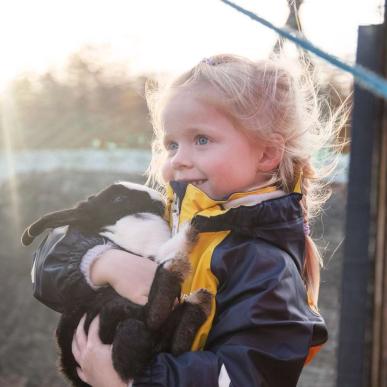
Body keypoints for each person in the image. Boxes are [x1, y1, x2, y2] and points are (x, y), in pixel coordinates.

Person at [32, 53, 345, 387]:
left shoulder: (265, 265)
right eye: (171, 144)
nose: (178, 160)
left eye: (201, 140)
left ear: (266, 154)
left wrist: (134, 381)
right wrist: (104, 262)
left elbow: (248, 377)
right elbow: (43, 268)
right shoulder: (162, 214)